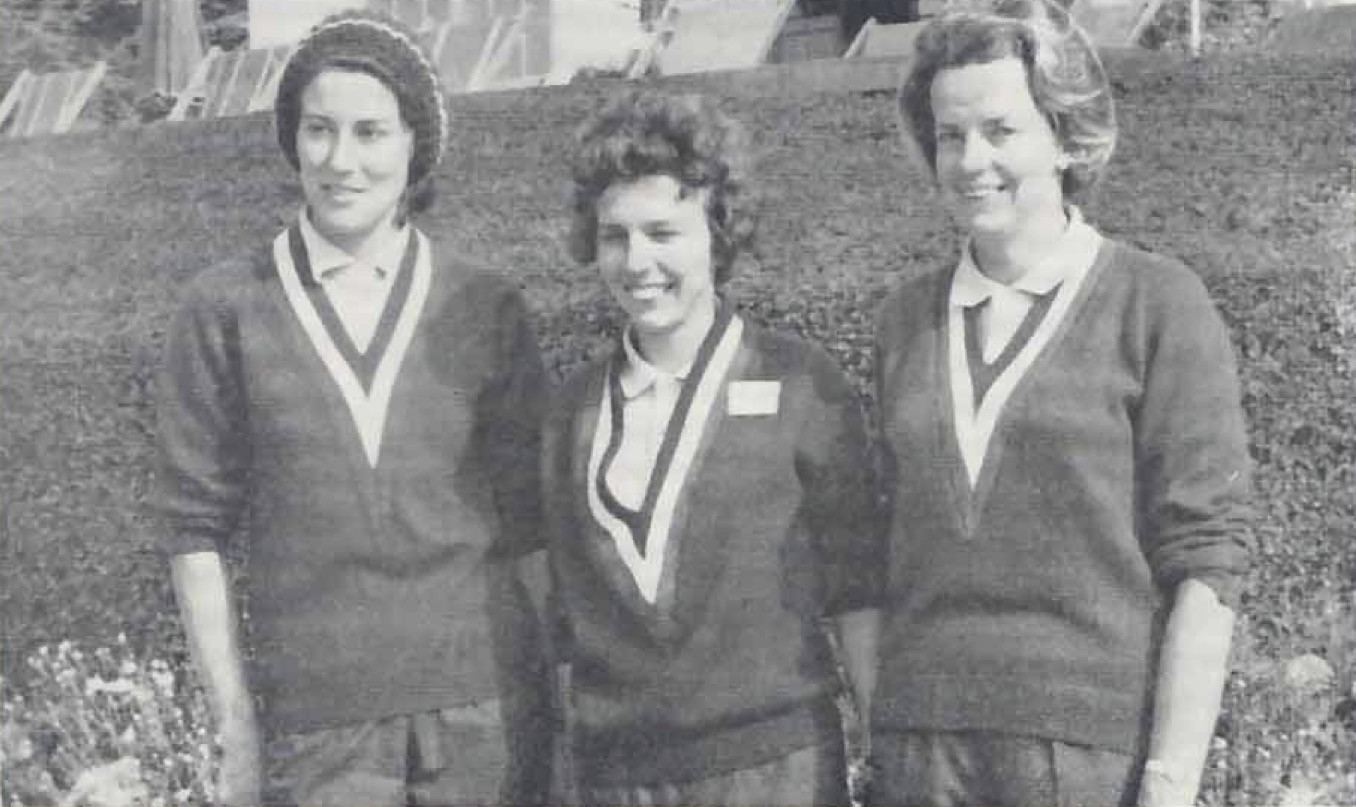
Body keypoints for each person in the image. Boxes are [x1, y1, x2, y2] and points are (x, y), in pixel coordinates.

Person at [153, 11, 551, 805]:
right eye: (319, 130)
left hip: (485, 718)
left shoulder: (484, 302)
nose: (342, 161)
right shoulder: (224, 307)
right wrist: (234, 723)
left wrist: (558, 698)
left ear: (414, 144)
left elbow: (532, 524)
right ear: (292, 140)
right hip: (319, 729)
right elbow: (193, 530)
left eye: (371, 132)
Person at [869, 1, 1253, 804]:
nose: (971, 160)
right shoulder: (905, 318)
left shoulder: (1157, 303)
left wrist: (1169, 779)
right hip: (922, 753)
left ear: (1063, 134)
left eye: (1001, 130)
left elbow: (1207, 559)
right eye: (949, 134)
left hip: (1083, 756)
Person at [540, 90, 884, 806]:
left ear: (717, 233)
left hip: (774, 770)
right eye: (615, 235)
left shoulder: (799, 384)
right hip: (618, 777)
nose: (638, 262)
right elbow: (564, 629)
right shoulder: (570, 413)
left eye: (664, 232)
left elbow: (859, 595)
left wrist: (886, 752)